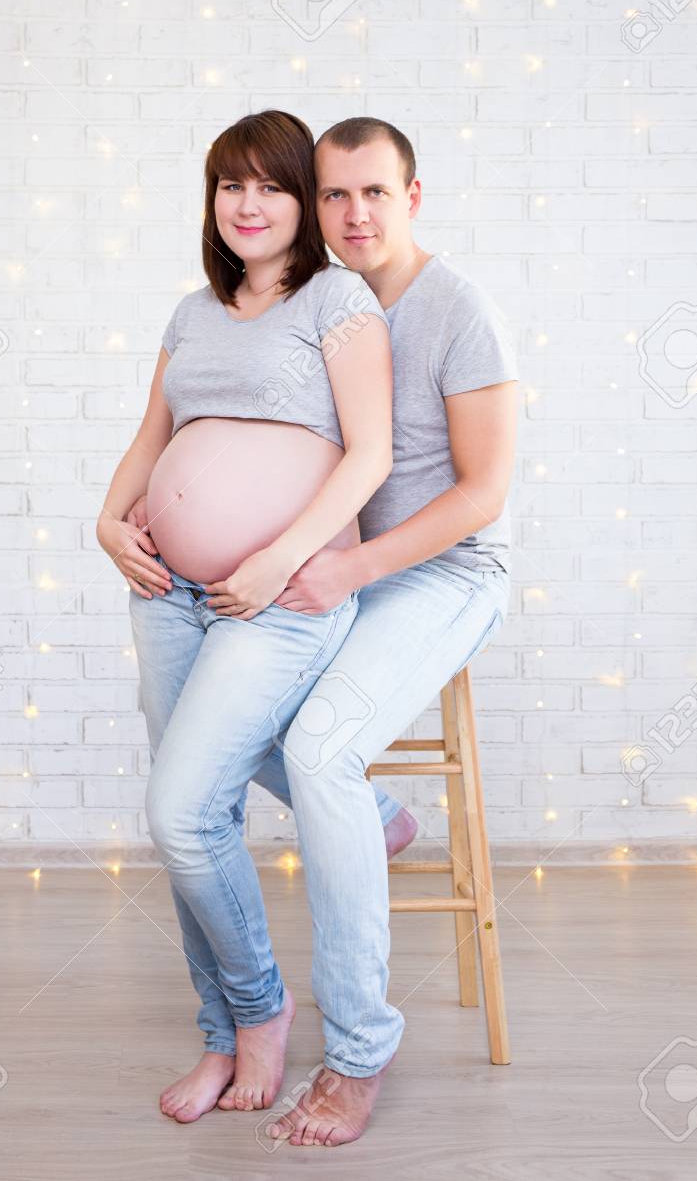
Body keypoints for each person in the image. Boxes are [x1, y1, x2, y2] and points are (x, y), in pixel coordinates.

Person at [97, 110, 414, 1125]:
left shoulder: (337, 300)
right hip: (167, 591)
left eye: (271, 185)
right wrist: (107, 521)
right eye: (230, 184)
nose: (248, 203)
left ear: (301, 203)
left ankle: (260, 1009)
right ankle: (218, 1030)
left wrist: (278, 557)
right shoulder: (192, 313)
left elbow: (369, 453)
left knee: (180, 812)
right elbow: (151, 437)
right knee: (194, 815)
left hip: (278, 597)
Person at [250, 117, 520, 1147]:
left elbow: (483, 494)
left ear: (411, 197)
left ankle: (358, 1049)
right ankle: (376, 816)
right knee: (215, 711)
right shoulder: (322, 302)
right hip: (347, 562)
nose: (353, 213)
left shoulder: (457, 309)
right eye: (333, 195)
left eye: (373, 192)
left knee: (316, 747)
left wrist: (352, 569)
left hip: (447, 570)